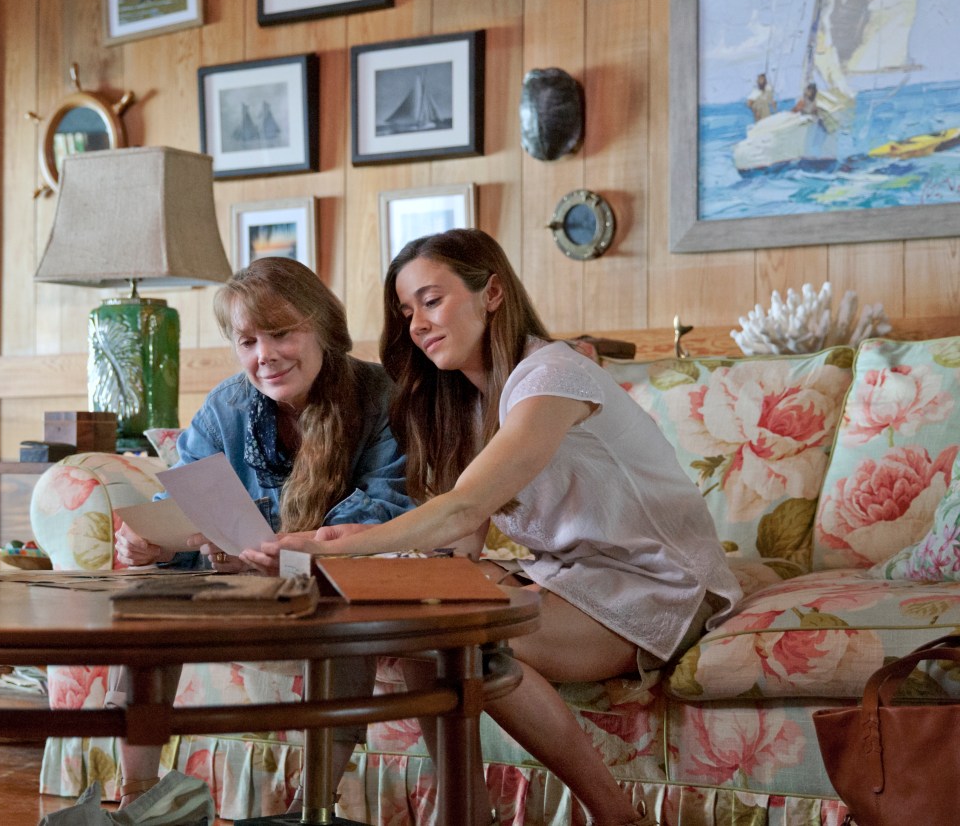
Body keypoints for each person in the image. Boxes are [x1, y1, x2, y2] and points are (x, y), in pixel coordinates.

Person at [243, 229, 742, 826]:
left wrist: (337, 544)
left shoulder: (553, 376)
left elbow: (460, 506)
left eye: (432, 300)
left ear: (493, 292)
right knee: (420, 623)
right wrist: (391, 575)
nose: (418, 324)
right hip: (570, 578)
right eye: (406, 312)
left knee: (461, 636)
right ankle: (464, 814)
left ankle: (615, 816)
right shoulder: (467, 401)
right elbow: (461, 539)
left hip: (658, 583)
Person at [111, 256, 416, 815]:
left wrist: (287, 550)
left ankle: (313, 807)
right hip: (238, 590)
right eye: (248, 341)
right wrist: (153, 541)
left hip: (326, 580)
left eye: (281, 334)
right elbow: (183, 499)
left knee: (340, 608)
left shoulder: (381, 396)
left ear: (323, 327)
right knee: (145, 605)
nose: (264, 356)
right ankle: (137, 803)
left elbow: (385, 504)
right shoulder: (226, 406)